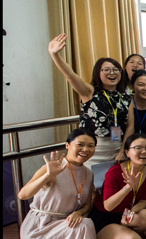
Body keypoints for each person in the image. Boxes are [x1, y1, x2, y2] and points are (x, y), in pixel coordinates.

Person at [5, 130, 103, 239]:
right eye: (80, 145)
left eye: (91, 146)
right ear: (67, 145)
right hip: (39, 227)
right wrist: (48, 175)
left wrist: (79, 213)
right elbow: (23, 195)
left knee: (85, 223)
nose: (85, 149)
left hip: (65, 224)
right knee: (85, 225)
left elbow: (87, 205)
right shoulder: (52, 168)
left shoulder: (88, 173)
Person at [48, 33, 134, 167]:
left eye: (115, 69)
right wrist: (55, 55)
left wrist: (123, 150)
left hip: (116, 149)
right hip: (90, 148)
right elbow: (70, 76)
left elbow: (130, 126)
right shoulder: (90, 92)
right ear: (98, 73)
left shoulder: (126, 98)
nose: (112, 73)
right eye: (106, 70)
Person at [91, 134, 146, 239]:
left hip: (124, 215)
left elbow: (143, 200)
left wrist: (130, 213)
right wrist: (127, 187)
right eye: (138, 148)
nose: (144, 151)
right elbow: (108, 206)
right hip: (105, 217)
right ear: (127, 152)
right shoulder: (114, 172)